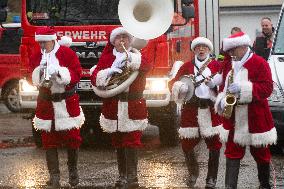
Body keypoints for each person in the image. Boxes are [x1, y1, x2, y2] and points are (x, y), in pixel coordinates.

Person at [90, 27, 152, 189]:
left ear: (130, 40)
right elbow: (95, 76)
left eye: (125, 37)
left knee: (131, 141)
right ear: (113, 41)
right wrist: (109, 71)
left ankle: (132, 178)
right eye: (118, 38)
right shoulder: (108, 57)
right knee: (118, 141)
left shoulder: (136, 56)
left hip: (133, 105)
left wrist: (131, 59)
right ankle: (122, 176)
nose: (122, 40)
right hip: (113, 105)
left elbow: (147, 66)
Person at [215, 32, 277, 189]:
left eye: (232, 50)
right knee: (231, 153)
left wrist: (244, 89)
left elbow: (267, 88)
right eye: (229, 51)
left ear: (243, 47)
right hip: (234, 119)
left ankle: (264, 185)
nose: (230, 54)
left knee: (261, 155)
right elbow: (223, 88)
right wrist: (221, 101)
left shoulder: (259, 63)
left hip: (256, 117)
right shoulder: (230, 64)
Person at [30, 27, 85, 188]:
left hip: (67, 103)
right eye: (39, 42)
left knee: (73, 138)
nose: (42, 46)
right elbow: (30, 77)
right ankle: (54, 176)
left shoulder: (67, 54)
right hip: (46, 102)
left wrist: (60, 72)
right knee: (49, 140)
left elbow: (76, 74)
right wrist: (39, 71)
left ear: (52, 40)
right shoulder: (36, 56)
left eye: (44, 42)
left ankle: (73, 170)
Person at [169, 37, 222, 189]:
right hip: (191, 109)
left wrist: (216, 86)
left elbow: (225, 83)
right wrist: (179, 87)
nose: (201, 49)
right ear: (194, 50)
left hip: (210, 109)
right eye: (198, 47)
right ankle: (193, 173)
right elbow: (171, 84)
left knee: (214, 144)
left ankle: (211, 178)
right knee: (186, 143)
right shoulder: (186, 66)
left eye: (204, 47)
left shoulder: (216, 65)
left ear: (209, 50)